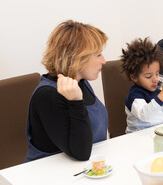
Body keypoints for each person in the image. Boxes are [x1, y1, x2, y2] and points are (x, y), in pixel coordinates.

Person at [24, 20, 108, 162]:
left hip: (83, 169)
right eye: (98, 55)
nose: (104, 61)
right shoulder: (47, 96)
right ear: (77, 57)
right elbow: (80, 153)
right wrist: (76, 102)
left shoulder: (81, 82)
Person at [120, 38, 163, 133]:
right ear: (134, 77)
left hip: (155, 133)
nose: (155, 79)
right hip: (137, 137)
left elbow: (159, 112)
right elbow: (145, 115)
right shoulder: (134, 96)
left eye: (157, 73)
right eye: (148, 76)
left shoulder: (155, 90)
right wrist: (162, 95)